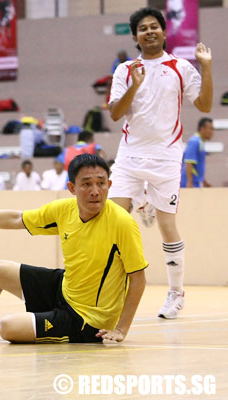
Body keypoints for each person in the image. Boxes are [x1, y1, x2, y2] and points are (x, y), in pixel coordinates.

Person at [0, 154, 147, 344]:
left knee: (8, 327)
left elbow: (137, 277)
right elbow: (16, 218)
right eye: (87, 184)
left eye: (101, 183)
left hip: (86, 319)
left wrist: (120, 329)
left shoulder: (122, 223)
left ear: (109, 184)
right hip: (65, 288)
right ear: (72, 188)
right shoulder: (64, 210)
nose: (95, 191)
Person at [108, 7, 213, 319]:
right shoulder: (125, 70)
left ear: (165, 33)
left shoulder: (181, 67)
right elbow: (115, 114)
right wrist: (135, 85)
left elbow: (205, 104)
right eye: (143, 28)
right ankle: (112, 290)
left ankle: (176, 293)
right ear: (136, 36)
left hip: (166, 157)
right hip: (129, 156)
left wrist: (206, 68)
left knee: (167, 227)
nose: (149, 31)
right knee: (113, 221)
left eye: (155, 26)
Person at [181, 118, 214, 188]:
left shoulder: (200, 142)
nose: (212, 132)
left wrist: (204, 182)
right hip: (190, 183)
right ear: (203, 128)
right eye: (210, 129)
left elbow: (197, 167)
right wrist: (189, 183)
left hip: (196, 182)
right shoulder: (194, 141)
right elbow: (189, 162)